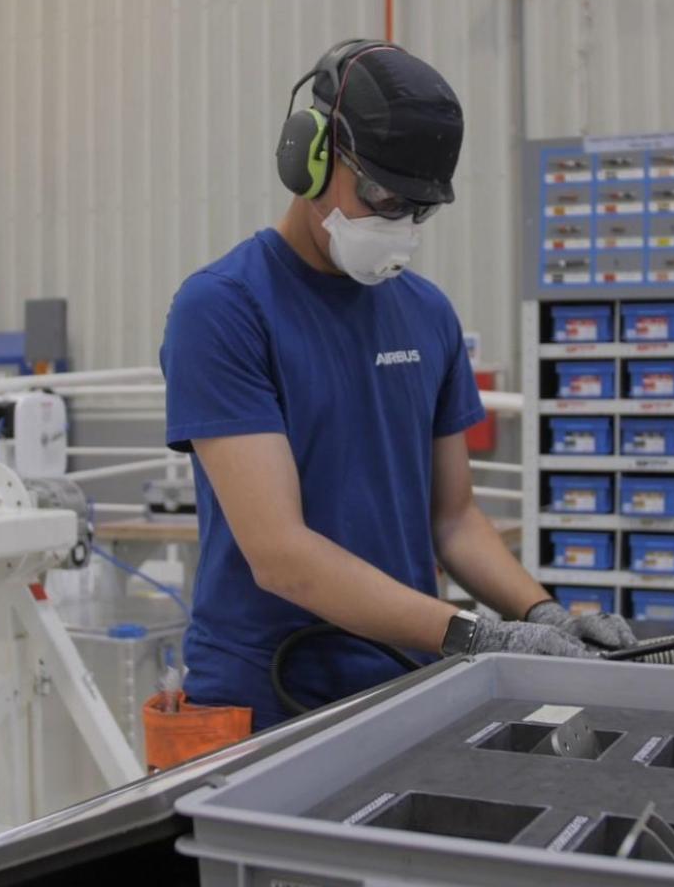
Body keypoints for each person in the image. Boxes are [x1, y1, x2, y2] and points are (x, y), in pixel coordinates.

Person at [160, 38, 636, 729]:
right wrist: (478, 635)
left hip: (405, 676)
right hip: (267, 694)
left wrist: (542, 614)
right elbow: (281, 555)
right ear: (309, 154)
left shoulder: (427, 313)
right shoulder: (225, 309)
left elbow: (455, 519)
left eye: (418, 208)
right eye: (381, 194)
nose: (397, 224)